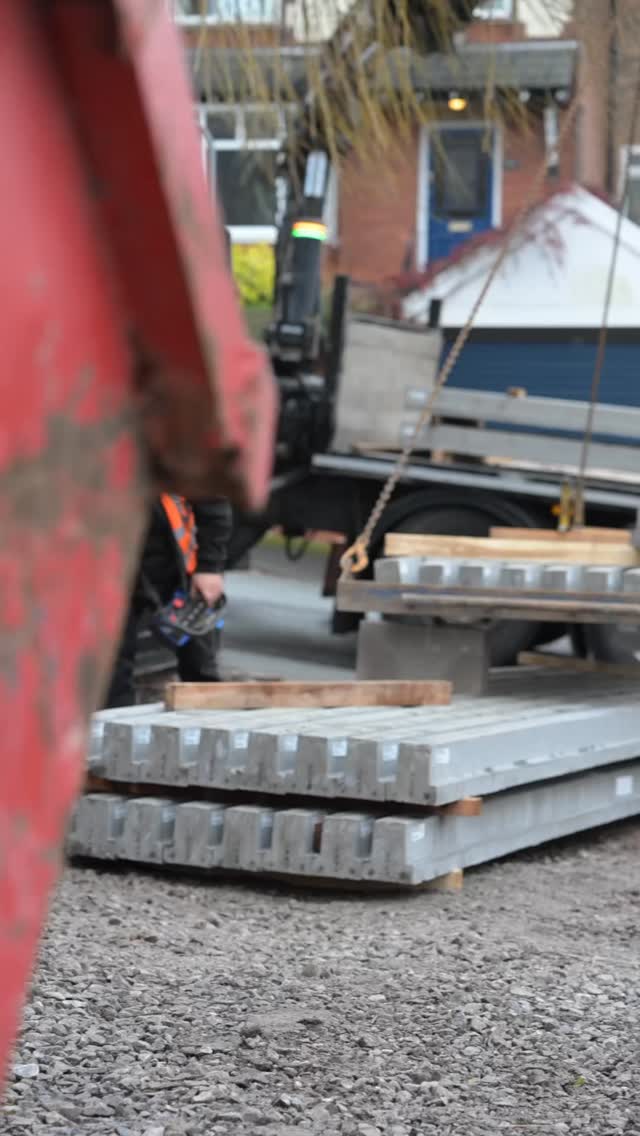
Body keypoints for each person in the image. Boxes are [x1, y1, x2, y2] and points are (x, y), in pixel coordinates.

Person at [104, 494, 232, 708]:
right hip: (114, 559)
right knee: (114, 665)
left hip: (170, 562)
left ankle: (210, 727)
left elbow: (213, 501)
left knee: (199, 665)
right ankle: (116, 730)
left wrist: (210, 567)